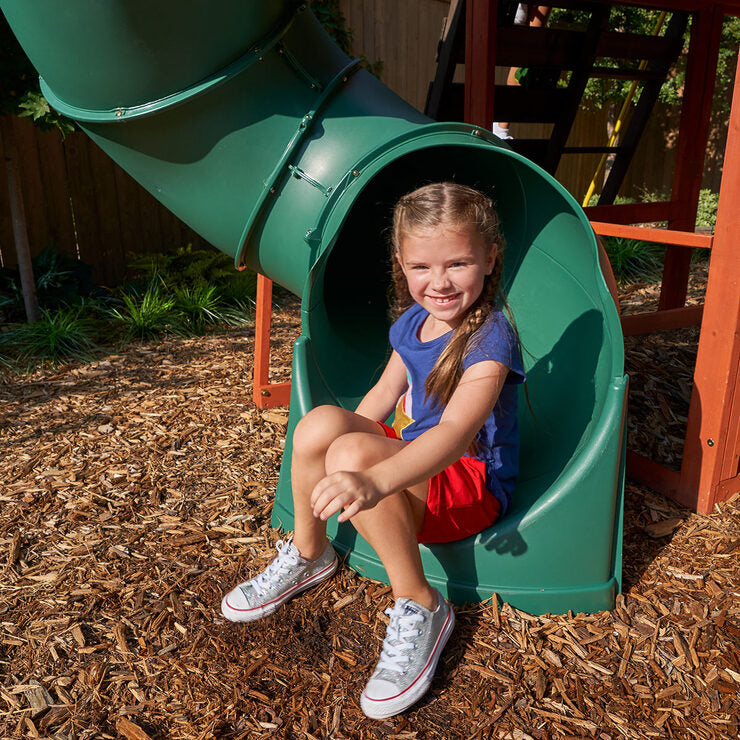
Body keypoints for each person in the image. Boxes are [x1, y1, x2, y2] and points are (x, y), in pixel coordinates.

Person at [221, 182, 526, 718]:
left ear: (490, 258)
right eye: (422, 268)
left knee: (353, 455)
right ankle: (310, 552)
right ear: (401, 264)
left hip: (468, 482)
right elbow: (384, 395)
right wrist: (342, 440)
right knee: (319, 425)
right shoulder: (412, 321)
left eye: (458, 264)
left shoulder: (489, 338)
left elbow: (455, 434)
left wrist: (370, 475)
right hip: (415, 466)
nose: (439, 283)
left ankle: (421, 602)